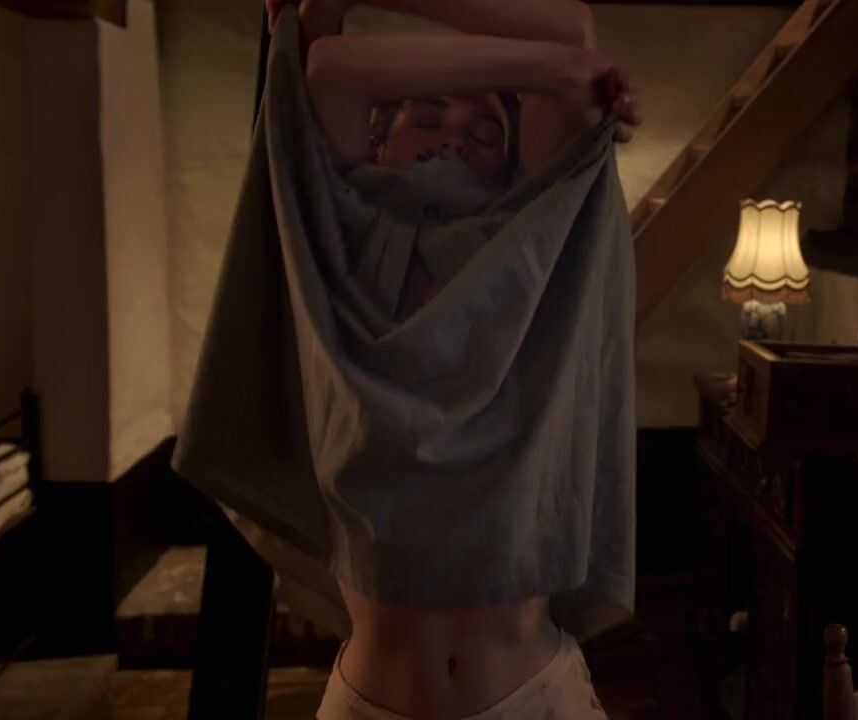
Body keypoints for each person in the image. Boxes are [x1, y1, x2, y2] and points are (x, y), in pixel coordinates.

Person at [261, 2, 643, 719]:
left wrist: (562, 68)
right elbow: (331, 70)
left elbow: (570, 29)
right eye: (427, 117)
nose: (454, 137)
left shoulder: (532, 258)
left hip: (532, 698)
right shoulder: (341, 253)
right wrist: (548, 69)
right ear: (378, 140)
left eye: (486, 130)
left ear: (514, 165)